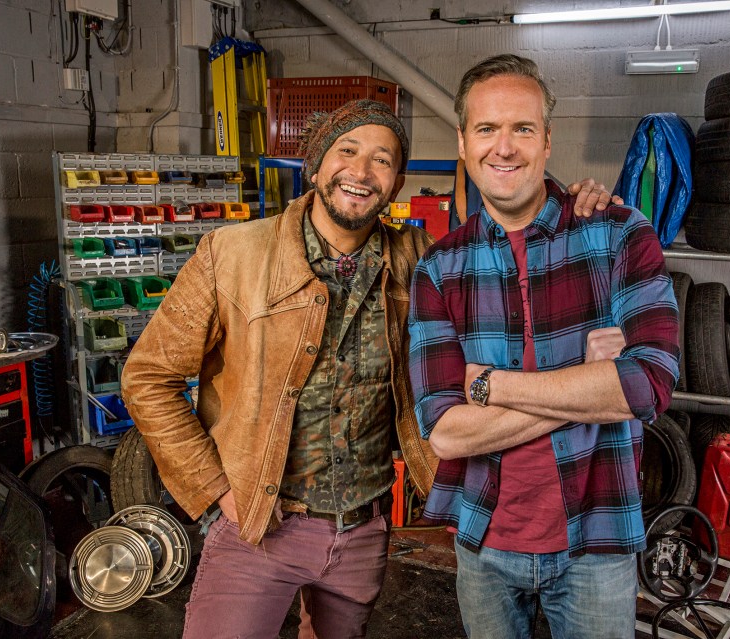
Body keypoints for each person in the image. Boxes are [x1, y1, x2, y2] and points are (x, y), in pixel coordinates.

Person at [121, 98, 617, 639]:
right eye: (347, 151)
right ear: (315, 165)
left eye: (381, 160)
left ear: (396, 182)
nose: (361, 172)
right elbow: (148, 377)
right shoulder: (232, 254)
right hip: (258, 525)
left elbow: (507, 248)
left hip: (362, 532)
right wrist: (216, 489)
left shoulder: (419, 260)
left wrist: (571, 207)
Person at [408, 54, 680, 639]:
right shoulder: (438, 268)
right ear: (462, 140)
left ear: (547, 140)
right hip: (483, 542)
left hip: (596, 540)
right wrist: (585, 381)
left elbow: (645, 386)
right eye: (486, 129)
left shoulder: (618, 235)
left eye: (522, 128)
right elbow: (447, 432)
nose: (503, 148)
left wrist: (490, 385)